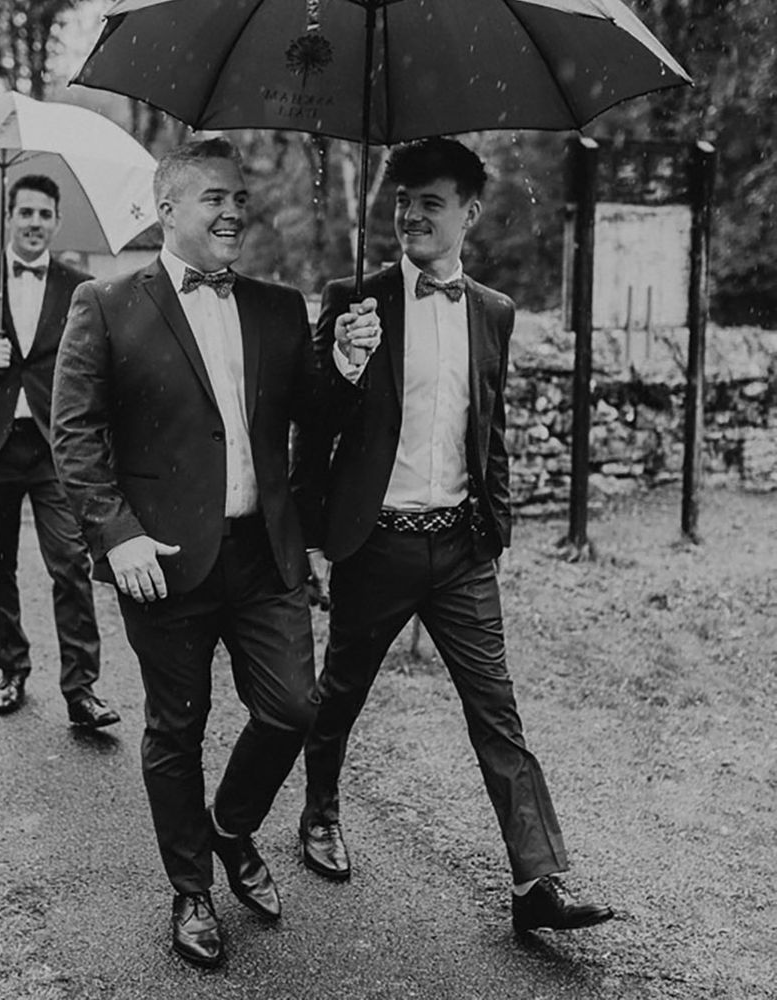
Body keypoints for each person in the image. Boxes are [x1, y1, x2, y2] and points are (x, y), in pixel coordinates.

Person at [50, 137, 378, 969]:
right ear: (167, 210)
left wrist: (346, 364)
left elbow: (315, 418)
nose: (234, 211)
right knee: (177, 727)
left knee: (294, 708)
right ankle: (191, 889)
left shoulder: (278, 307)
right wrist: (118, 534)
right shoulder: (106, 303)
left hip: (264, 553)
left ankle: (230, 828)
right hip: (161, 560)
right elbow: (74, 436)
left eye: (240, 197)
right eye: (215, 198)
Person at [295, 137, 613, 936]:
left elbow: (488, 429)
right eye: (403, 201)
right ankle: (319, 813)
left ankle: (535, 882)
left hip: (462, 551)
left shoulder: (494, 312)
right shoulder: (354, 298)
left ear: (468, 213)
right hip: (376, 544)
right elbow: (313, 423)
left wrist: (493, 528)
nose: (410, 215)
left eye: (429, 203)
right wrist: (345, 363)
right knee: (341, 693)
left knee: (497, 710)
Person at [0, 174, 118, 730]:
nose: (34, 222)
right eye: (25, 212)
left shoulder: (81, 286)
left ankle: (81, 690)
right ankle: (11, 670)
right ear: (9, 217)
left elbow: (98, 365)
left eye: (44, 214)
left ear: (57, 221)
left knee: (71, 565)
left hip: (57, 448)